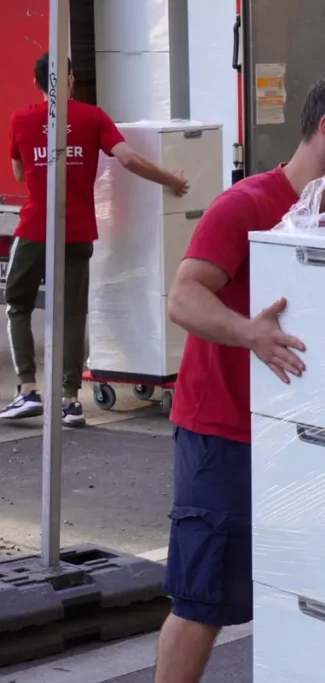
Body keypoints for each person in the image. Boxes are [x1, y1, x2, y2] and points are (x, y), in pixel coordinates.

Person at [127, 73, 325, 683]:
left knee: (307, 590)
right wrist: (249, 334)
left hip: (300, 435)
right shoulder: (246, 205)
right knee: (204, 592)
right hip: (223, 432)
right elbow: (184, 295)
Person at [1, 53, 189, 427]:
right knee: (72, 312)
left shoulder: (21, 119)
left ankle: (27, 390)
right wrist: (171, 179)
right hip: (78, 230)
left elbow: (19, 174)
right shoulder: (93, 117)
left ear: (38, 83)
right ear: (70, 79)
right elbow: (129, 158)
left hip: (36, 228)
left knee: (16, 304)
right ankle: (70, 400)